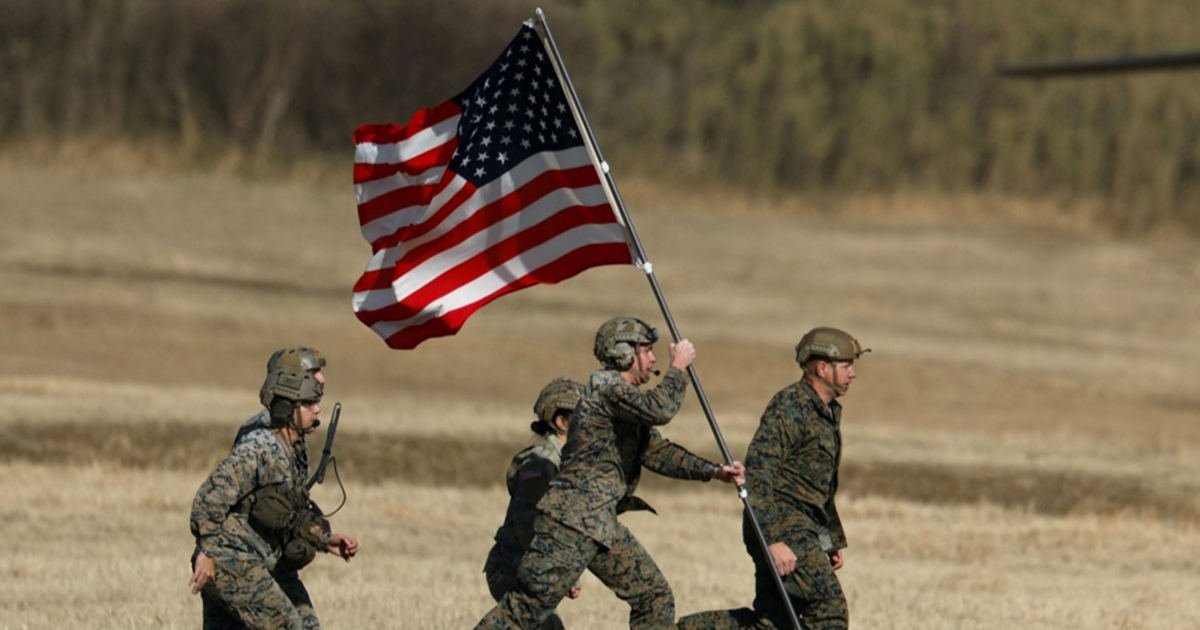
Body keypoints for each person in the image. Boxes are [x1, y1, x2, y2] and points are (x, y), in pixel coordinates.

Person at [474, 316, 746, 630]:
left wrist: (713, 471)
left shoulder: (627, 406)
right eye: (647, 350)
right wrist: (678, 368)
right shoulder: (603, 389)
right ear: (623, 354)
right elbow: (661, 410)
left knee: (654, 597)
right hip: (571, 522)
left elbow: (657, 452)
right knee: (526, 610)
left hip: (600, 523)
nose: (654, 358)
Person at [677, 327, 869, 630]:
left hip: (800, 529)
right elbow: (758, 474)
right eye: (846, 366)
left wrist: (828, 539)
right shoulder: (790, 406)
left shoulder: (826, 411)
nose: (853, 373)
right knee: (829, 610)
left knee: (773, 623)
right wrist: (773, 540)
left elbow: (817, 486)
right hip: (780, 525)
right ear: (822, 368)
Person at [188, 365, 359, 630]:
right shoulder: (258, 449)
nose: (317, 409)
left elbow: (292, 510)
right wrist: (207, 554)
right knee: (288, 625)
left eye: (317, 403)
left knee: (307, 625)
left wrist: (325, 539)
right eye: (309, 403)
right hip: (230, 558)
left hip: (264, 559)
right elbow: (208, 500)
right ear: (286, 410)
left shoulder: (295, 449)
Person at [483, 376, 586, 630]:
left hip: (530, 570)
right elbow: (530, 526)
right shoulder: (540, 465)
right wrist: (558, 575)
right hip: (512, 569)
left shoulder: (566, 462)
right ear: (561, 422)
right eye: (583, 417)